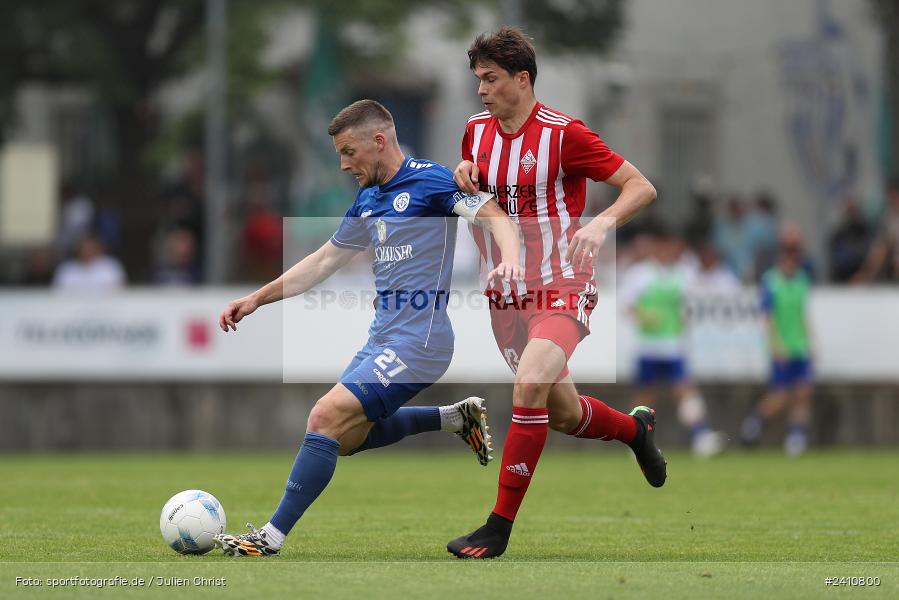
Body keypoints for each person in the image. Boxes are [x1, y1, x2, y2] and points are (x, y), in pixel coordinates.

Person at [212, 100, 521, 556]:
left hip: (422, 339)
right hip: (383, 337)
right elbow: (323, 262)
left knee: (323, 417)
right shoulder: (369, 199)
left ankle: (269, 539)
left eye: (348, 151)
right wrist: (257, 298)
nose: (342, 164)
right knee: (343, 437)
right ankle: (453, 417)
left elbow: (495, 215)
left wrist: (510, 261)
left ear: (379, 141)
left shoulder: (433, 182)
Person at [447, 27, 665, 560]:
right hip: (506, 295)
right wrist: (462, 175)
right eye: (478, 80)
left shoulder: (565, 134)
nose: (482, 90)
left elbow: (641, 186)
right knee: (562, 413)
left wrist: (602, 223)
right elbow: (473, 196)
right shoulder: (476, 132)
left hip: (563, 283)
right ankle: (635, 432)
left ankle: (497, 527)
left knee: (529, 384)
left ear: (522, 79)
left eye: (491, 79)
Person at [620, 228, 726, 457]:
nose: (669, 251)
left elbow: (692, 301)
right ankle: (637, 441)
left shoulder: (683, 274)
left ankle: (701, 437)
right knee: (645, 396)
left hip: (673, 345)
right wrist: (644, 316)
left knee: (685, 390)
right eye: (664, 246)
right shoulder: (640, 274)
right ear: (656, 248)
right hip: (648, 346)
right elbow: (627, 307)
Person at [740, 226, 814, 456]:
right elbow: (768, 318)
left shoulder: (802, 280)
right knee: (780, 397)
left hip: (800, 345)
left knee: (803, 392)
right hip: (781, 346)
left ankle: (796, 437)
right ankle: (754, 423)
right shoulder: (771, 282)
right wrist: (776, 344)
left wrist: (811, 341)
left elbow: (802, 314)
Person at [52, 233, 126, 292]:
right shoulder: (66, 268)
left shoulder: (111, 265)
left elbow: (121, 291)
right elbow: (56, 293)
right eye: (84, 248)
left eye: (91, 248)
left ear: (99, 248)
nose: (87, 252)